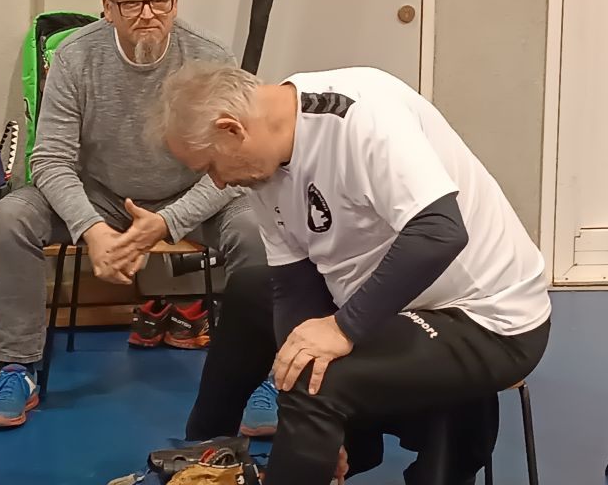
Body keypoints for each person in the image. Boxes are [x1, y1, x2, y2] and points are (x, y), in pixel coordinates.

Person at [151, 62, 551, 484]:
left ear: (232, 129)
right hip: (388, 300)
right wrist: (310, 421)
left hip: (482, 317)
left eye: (210, 166)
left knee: (316, 385)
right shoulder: (266, 165)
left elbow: (440, 231)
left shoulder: (362, 118)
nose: (216, 183)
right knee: (252, 292)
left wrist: (343, 328)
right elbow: (293, 284)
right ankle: (206, 456)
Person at [0, 0, 267, 428]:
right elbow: (49, 158)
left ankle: (263, 374)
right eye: (132, 3)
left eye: (160, 0)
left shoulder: (211, 56)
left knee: (256, 229)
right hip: (100, 197)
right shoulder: (75, 56)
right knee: (12, 216)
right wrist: (91, 229)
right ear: (107, 9)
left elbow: (234, 162)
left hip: (191, 197)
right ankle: (18, 368)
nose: (148, 13)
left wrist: (168, 222)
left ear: (175, 2)